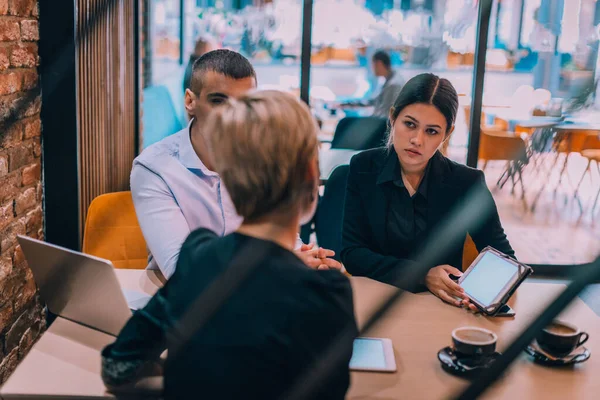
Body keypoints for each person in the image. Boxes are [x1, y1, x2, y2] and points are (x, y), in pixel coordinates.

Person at [102, 90, 358, 399]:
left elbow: (118, 367)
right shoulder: (328, 294)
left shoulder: (198, 258)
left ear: (229, 178)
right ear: (310, 175)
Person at [132, 49, 341, 278]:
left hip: (259, 297)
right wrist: (283, 263)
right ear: (190, 101)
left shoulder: (262, 155)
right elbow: (182, 271)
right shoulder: (154, 168)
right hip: (182, 305)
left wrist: (307, 257)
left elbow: (282, 234)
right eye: (219, 101)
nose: (232, 116)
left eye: (243, 104)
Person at [341, 73, 515, 308]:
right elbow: (352, 254)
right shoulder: (363, 167)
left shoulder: (467, 182)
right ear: (393, 118)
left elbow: (503, 259)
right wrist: (422, 274)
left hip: (441, 306)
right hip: (375, 299)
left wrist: (484, 294)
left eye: (431, 131)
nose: (417, 140)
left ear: (447, 134)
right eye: (410, 124)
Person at [341, 50, 404, 117]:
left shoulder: (393, 85)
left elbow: (385, 114)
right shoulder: (390, 79)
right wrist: (350, 104)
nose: (372, 69)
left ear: (379, 64)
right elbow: (375, 101)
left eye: (373, 66)